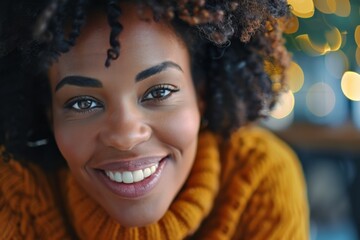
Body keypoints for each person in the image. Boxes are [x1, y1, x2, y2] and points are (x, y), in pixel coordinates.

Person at [0, 0, 309, 239]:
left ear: (201, 93)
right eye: (83, 102)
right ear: (49, 114)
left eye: (159, 91)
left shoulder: (261, 179)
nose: (125, 136)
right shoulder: (14, 193)